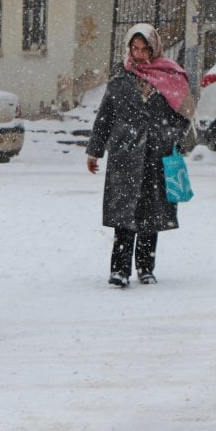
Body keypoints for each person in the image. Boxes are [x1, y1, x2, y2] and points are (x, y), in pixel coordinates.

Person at [86, 23, 195, 287]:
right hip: (125, 156)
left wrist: (169, 137)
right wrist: (95, 151)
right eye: (134, 49)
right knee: (124, 215)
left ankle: (146, 267)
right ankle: (119, 270)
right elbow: (105, 118)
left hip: (157, 154)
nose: (139, 54)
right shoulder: (120, 80)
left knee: (151, 214)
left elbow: (184, 115)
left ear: (154, 48)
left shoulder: (171, 76)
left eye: (144, 49)